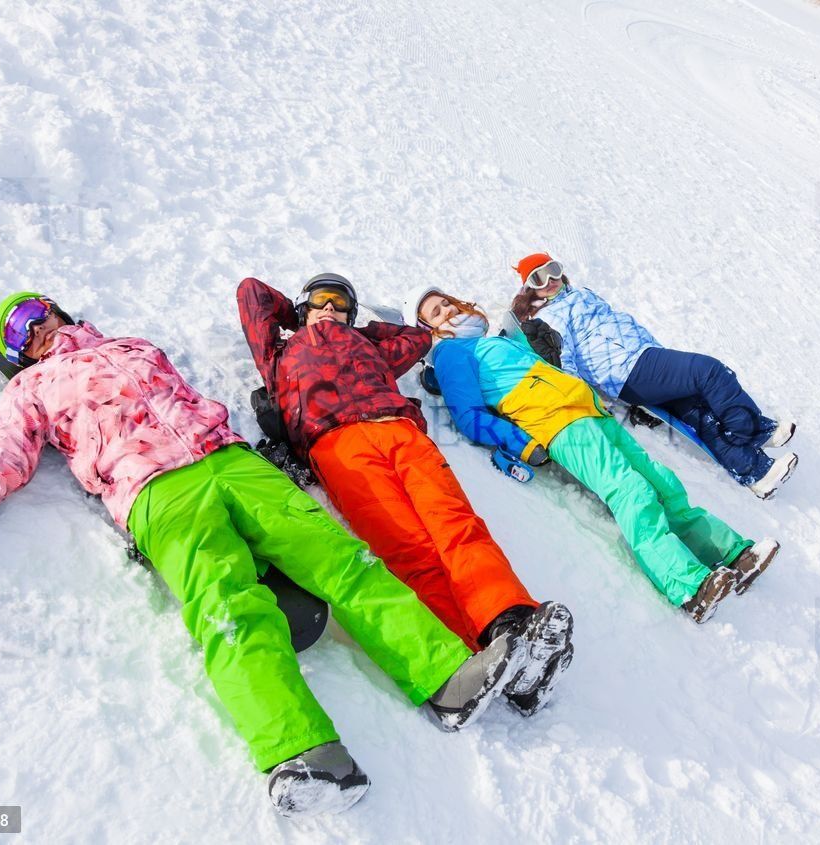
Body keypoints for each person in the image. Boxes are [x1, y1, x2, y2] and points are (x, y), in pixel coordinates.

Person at [0, 292, 530, 819]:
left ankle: (446, 677)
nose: (33, 328)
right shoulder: (32, 386)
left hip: (230, 459)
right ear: (15, 353)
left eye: (35, 312)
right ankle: (302, 750)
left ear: (55, 309)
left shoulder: (134, 345)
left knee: (343, 560)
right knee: (228, 608)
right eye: (17, 331)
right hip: (154, 491)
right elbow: (4, 448)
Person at [235, 274, 574, 717]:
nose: (332, 308)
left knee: (456, 525)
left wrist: (355, 329)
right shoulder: (279, 352)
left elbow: (414, 339)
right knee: (407, 551)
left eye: (342, 303)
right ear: (303, 304)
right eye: (322, 299)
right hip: (338, 445)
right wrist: (300, 315)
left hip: (399, 430)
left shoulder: (369, 345)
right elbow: (251, 294)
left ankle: (509, 625)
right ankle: (471, 657)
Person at [401, 286, 781, 624]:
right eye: (436, 312)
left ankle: (730, 555)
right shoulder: (452, 352)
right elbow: (469, 417)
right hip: (557, 424)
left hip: (588, 410)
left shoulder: (497, 340)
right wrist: (523, 445)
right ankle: (688, 585)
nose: (448, 310)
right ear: (427, 330)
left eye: (447, 303)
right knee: (629, 490)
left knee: (662, 483)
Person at [509, 253, 798, 499]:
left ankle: (756, 472)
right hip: (629, 367)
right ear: (529, 288)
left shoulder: (580, 294)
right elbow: (564, 361)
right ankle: (757, 429)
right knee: (708, 371)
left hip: (640, 358)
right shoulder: (549, 317)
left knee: (698, 412)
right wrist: (587, 396)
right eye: (539, 278)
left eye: (553, 271)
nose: (550, 281)